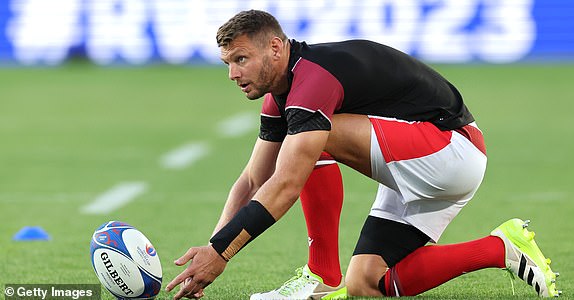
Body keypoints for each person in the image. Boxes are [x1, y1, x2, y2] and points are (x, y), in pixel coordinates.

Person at [165, 9, 561, 299]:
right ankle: (501, 248)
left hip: (451, 149)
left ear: (275, 47)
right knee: (366, 284)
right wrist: (211, 253)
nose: (233, 73)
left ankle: (320, 275)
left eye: (240, 59)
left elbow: (285, 184)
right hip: (418, 166)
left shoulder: (313, 81)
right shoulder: (283, 96)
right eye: (227, 63)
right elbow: (254, 179)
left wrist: (221, 253)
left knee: (314, 134)